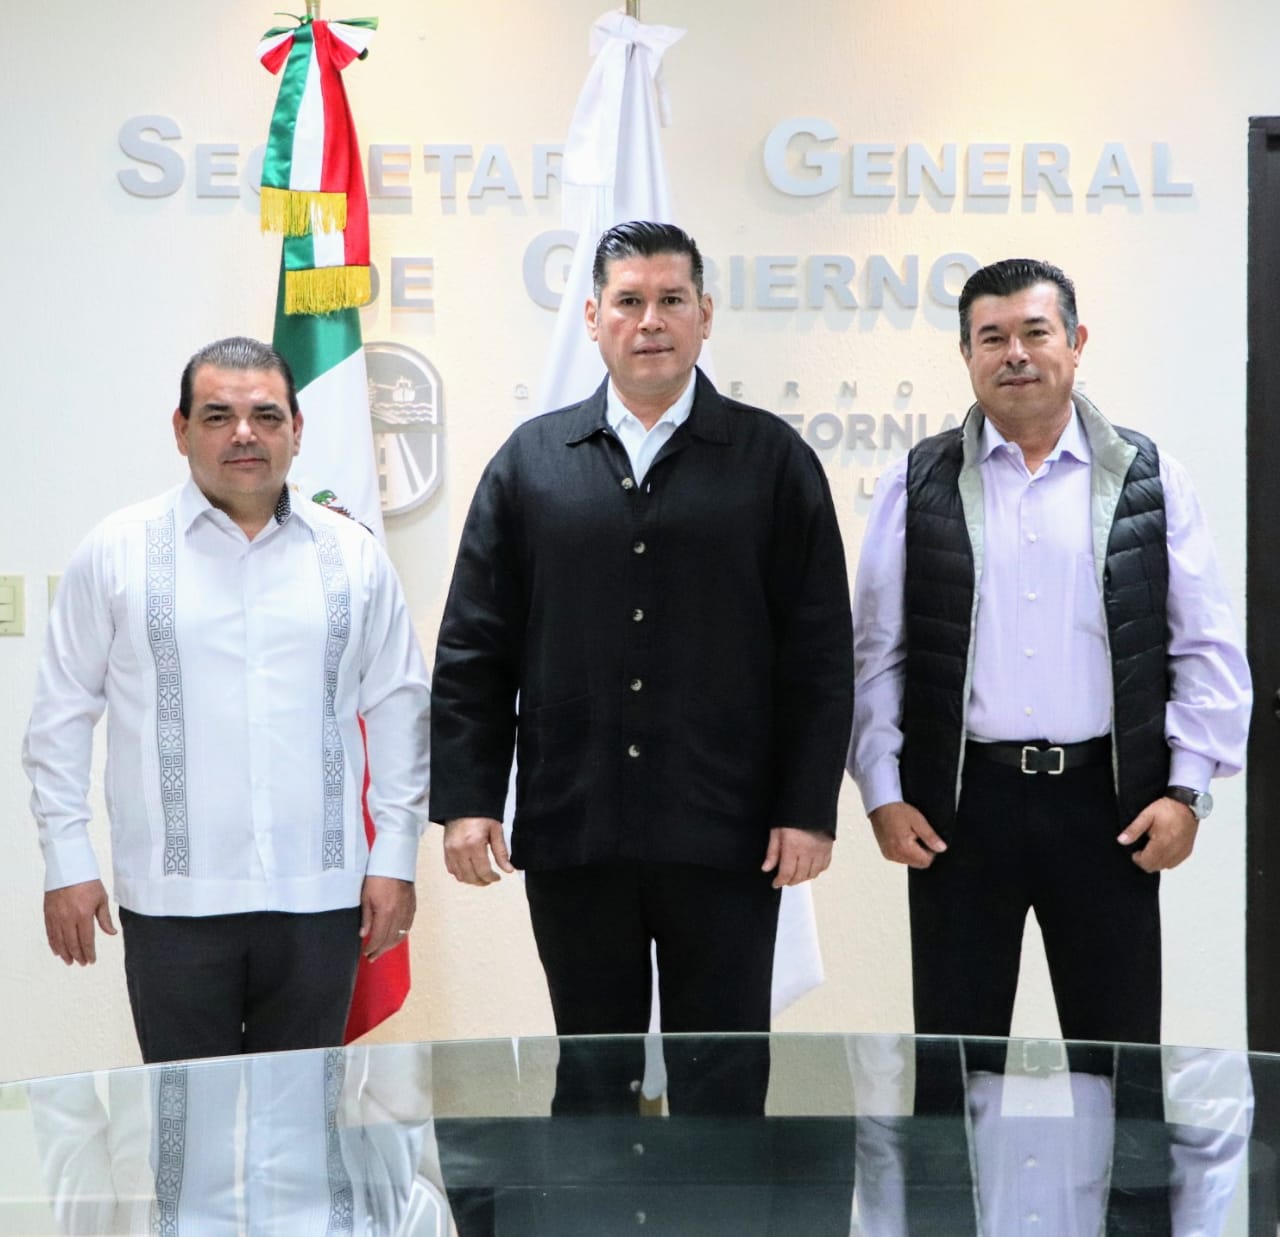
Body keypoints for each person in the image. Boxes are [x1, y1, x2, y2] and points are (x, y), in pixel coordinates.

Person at [430, 221, 854, 1112]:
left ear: (706, 314)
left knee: (723, 1084)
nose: (650, 320)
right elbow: (475, 646)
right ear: (593, 318)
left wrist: (807, 807)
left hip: (730, 835)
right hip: (575, 829)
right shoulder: (531, 462)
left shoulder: (773, 462)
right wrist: (469, 799)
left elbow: (818, 653)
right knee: (593, 1078)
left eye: (671, 300)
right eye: (629, 301)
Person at [849, 258, 1251, 1045]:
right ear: (966, 354)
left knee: (1119, 1059)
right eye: (991, 337)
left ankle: (1121, 1144)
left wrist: (1188, 790)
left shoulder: (1147, 478)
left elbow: (1204, 645)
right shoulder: (915, 482)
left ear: (1076, 341)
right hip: (960, 807)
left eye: (1035, 332)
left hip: (1108, 806)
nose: (1015, 354)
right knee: (957, 1062)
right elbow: (878, 655)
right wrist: (882, 791)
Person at [23, 336, 431, 1064]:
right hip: (173, 903)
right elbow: (59, 716)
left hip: (320, 897)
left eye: (266, 416)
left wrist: (395, 856)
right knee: (186, 1121)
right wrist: (68, 859)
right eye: (218, 416)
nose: (244, 433)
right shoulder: (117, 551)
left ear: (297, 429)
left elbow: (401, 711)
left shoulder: (354, 556)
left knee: (304, 1117)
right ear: (181, 430)